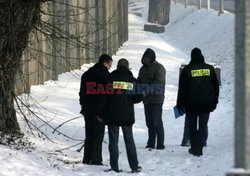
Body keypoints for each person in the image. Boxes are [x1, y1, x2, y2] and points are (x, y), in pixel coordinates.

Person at [176, 47, 219, 156]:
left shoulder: (187, 70)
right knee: (203, 126)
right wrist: (215, 102)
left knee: (192, 127)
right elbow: (216, 87)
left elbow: (182, 90)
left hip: (191, 105)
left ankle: (195, 149)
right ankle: (200, 148)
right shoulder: (209, 69)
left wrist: (179, 105)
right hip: (206, 104)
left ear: (191, 57)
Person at [103, 59, 142, 173]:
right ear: (127, 67)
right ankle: (134, 166)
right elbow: (139, 97)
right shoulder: (133, 81)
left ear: (118, 66)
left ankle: (114, 167)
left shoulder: (110, 79)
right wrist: (129, 100)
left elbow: (104, 97)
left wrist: (102, 112)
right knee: (129, 140)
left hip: (112, 114)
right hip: (127, 114)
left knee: (113, 141)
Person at [79, 54, 113, 165]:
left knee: (88, 135)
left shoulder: (87, 74)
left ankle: (87, 158)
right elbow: (105, 96)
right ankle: (96, 159)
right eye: (109, 65)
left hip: (87, 109)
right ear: (105, 63)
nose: (110, 67)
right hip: (98, 111)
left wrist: (83, 106)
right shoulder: (105, 76)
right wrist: (102, 112)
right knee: (98, 136)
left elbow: (82, 93)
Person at [138, 48, 166, 150]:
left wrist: (145, 91)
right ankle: (150, 143)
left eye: (147, 58)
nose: (145, 60)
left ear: (151, 58)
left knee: (157, 122)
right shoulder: (142, 69)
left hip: (157, 99)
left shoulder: (159, 68)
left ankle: (160, 144)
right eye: (144, 58)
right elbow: (139, 81)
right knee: (149, 123)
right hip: (146, 100)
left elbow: (158, 83)